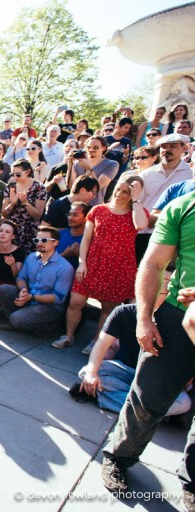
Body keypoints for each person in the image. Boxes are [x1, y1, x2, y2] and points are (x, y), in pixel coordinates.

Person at [100, 190, 195, 503]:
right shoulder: (182, 207)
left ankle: (192, 483)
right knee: (148, 395)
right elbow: (153, 263)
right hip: (179, 318)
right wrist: (144, 317)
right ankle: (119, 457)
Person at [52, 175, 148, 352]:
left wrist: (136, 199)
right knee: (76, 301)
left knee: (108, 308)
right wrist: (82, 263)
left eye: (126, 192)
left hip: (119, 267)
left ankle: (96, 341)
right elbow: (86, 240)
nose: (119, 194)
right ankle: (68, 335)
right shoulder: (98, 210)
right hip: (93, 263)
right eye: (118, 189)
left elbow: (141, 224)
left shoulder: (136, 213)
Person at [71, 303, 191, 416]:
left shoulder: (180, 321)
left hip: (156, 380)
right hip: (124, 370)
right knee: (86, 371)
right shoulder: (124, 311)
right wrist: (92, 374)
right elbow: (101, 344)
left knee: (183, 403)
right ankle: (149, 411)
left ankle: (101, 396)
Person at [0, 226, 75, 333]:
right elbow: (21, 277)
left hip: (48, 307)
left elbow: (58, 298)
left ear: (55, 243)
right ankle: (18, 321)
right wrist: (23, 289)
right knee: (3, 289)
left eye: (44, 240)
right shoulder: (31, 257)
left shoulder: (65, 268)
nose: (39, 243)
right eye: (37, 240)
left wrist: (32, 297)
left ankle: (46, 327)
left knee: (16, 318)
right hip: (30, 297)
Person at [136, 134, 191, 264]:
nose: (167, 150)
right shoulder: (146, 174)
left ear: (183, 148)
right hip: (144, 232)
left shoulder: (189, 173)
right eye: (163, 147)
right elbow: (137, 202)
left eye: (173, 146)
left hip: (175, 234)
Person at [1, 159, 47, 253]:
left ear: (28, 172)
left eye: (18, 174)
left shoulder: (39, 187)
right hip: (11, 231)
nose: (15, 177)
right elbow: (4, 214)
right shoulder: (10, 187)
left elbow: (38, 215)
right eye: (12, 174)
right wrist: (12, 204)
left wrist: (25, 202)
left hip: (29, 231)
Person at [66, 135, 119, 207]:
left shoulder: (112, 164)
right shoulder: (78, 163)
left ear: (104, 148)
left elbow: (97, 187)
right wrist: (70, 164)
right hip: (75, 206)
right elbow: (71, 186)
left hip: (94, 207)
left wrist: (89, 169)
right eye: (88, 147)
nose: (91, 150)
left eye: (95, 147)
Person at [55, 201, 90, 268]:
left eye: (75, 215)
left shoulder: (91, 239)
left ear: (86, 218)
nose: (70, 218)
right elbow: (46, 260)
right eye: (69, 214)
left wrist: (79, 255)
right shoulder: (58, 235)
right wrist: (64, 255)